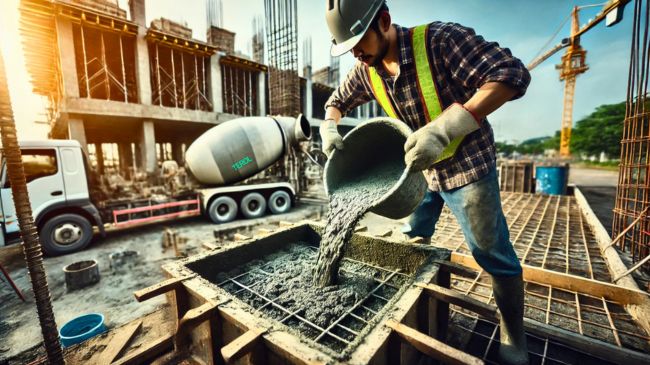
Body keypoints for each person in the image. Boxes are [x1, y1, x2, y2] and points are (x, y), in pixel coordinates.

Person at [321, 1, 531, 364]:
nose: (355, 53)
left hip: (467, 166)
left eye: (358, 42)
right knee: (414, 233)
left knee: (490, 251)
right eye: (348, 47)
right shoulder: (365, 68)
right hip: (418, 172)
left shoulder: (441, 41)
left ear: (383, 21)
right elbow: (337, 101)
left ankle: (513, 330)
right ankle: (421, 293)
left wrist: (447, 127)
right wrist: (329, 123)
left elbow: (512, 75)